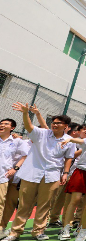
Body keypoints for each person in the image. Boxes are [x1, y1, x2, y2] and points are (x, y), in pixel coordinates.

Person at [4, 103, 75, 241]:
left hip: (52, 176)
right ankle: (15, 232)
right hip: (31, 174)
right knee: (24, 204)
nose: (55, 125)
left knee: (45, 205)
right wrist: (26, 113)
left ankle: (38, 231)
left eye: (58, 123)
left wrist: (65, 173)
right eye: (53, 122)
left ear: (66, 126)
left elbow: (68, 158)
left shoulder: (69, 141)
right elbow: (29, 126)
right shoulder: (42, 133)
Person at [58, 125, 86, 240]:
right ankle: (66, 228)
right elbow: (78, 140)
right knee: (75, 200)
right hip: (81, 172)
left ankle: (82, 228)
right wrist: (69, 139)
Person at [0, 119, 28, 236]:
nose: (2, 125)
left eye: (6, 124)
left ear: (12, 128)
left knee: (3, 203)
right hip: (6, 178)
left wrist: (14, 169)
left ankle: (2, 228)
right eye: (1, 123)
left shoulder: (17, 142)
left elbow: (24, 155)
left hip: (3, 177)